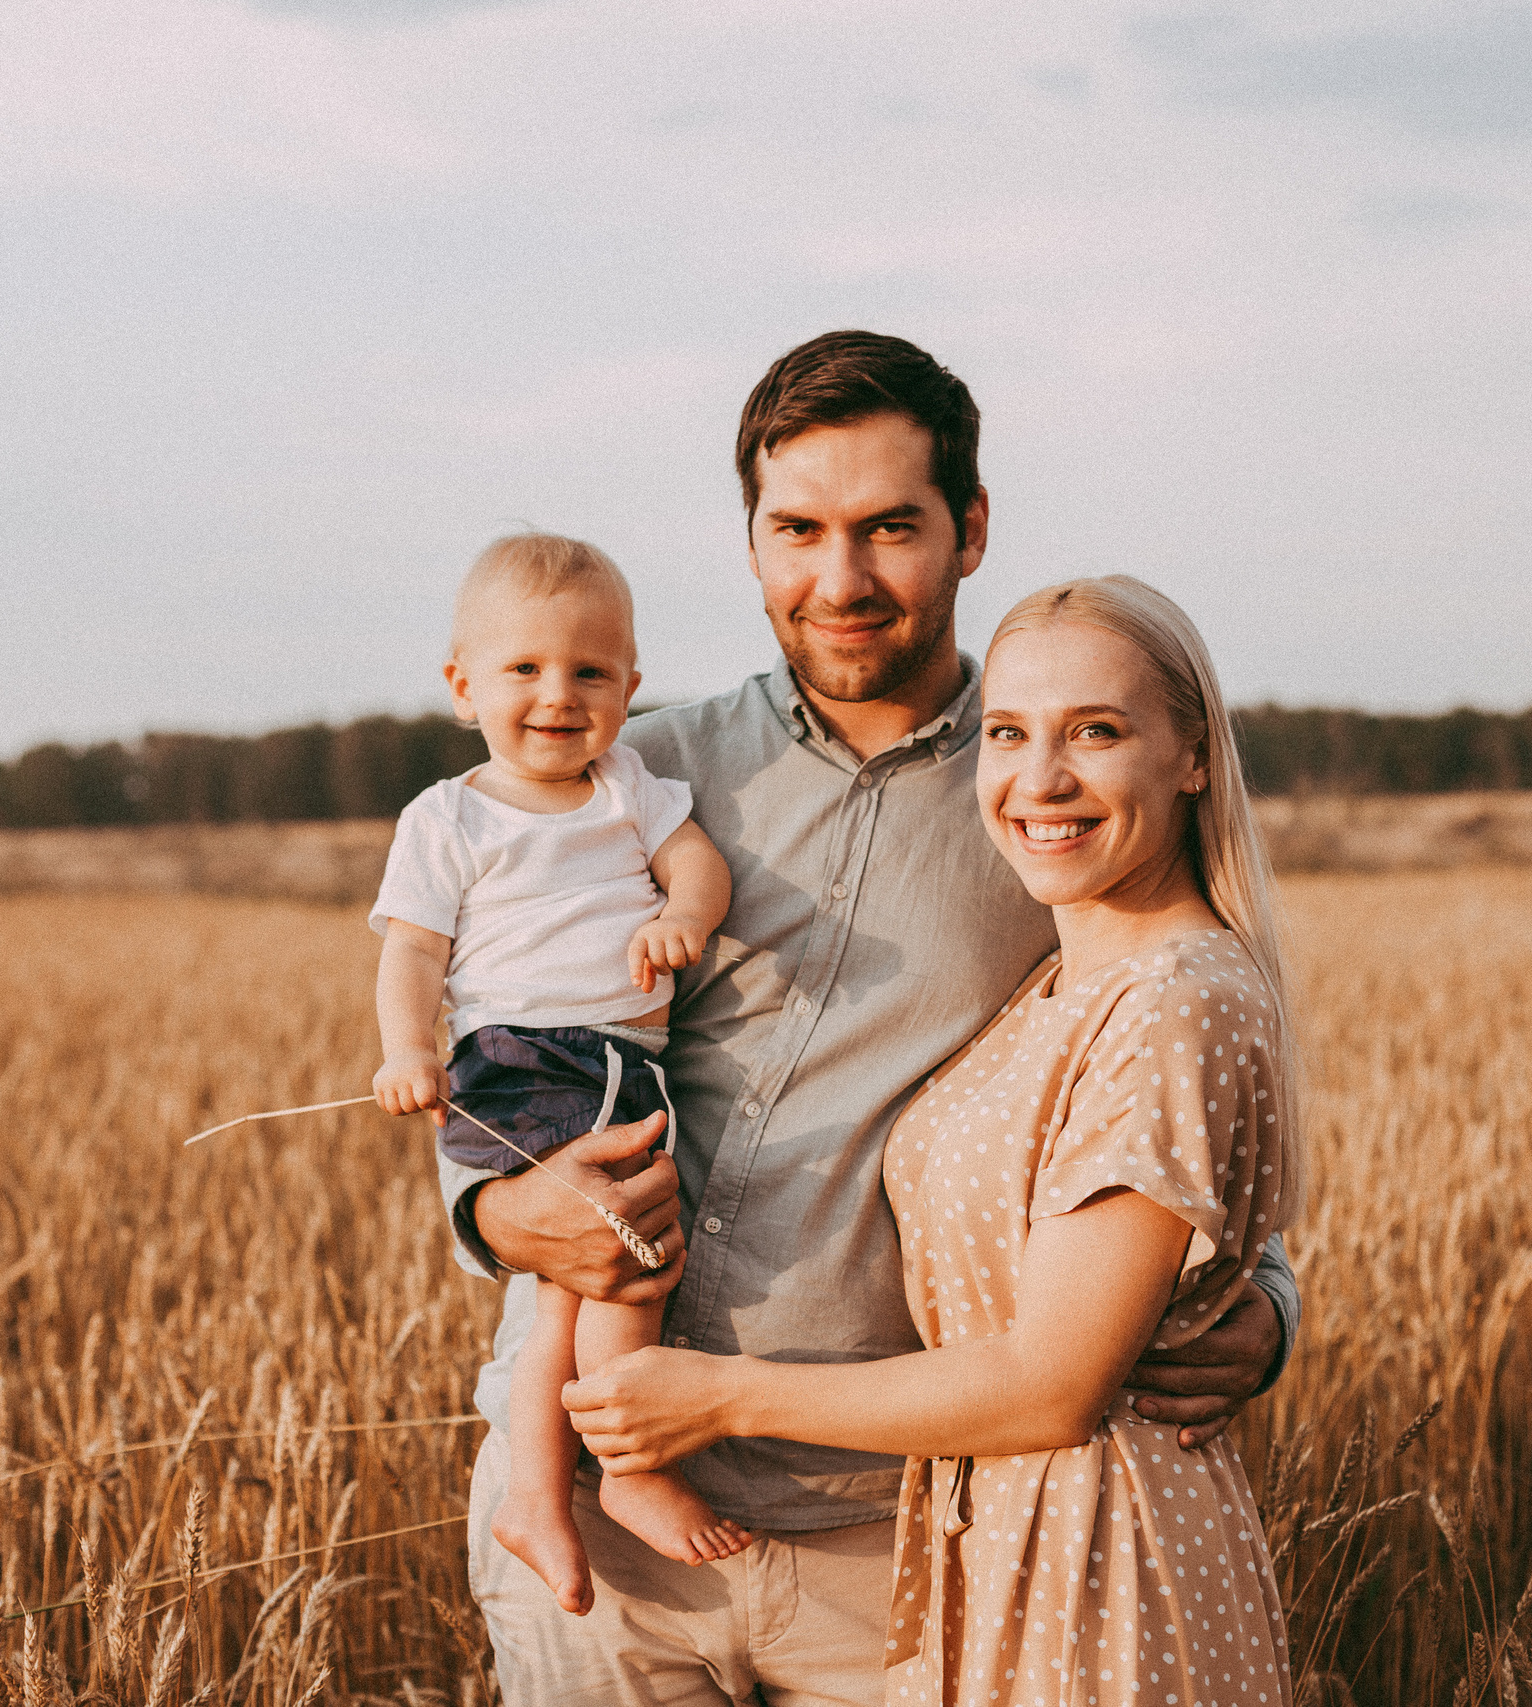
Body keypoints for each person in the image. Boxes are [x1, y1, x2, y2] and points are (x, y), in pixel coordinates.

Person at [434, 332, 1302, 1703]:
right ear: (751, 537)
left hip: (893, 1535)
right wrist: (483, 1213)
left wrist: (1261, 1294)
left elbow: (1161, 1052)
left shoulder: (1041, 802)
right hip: (600, 1516)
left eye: (889, 527)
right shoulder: (639, 770)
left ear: (969, 530)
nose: (838, 581)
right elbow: (504, 1017)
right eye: (798, 530)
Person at [566, 576, 1296, 1703]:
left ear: (1192, 755)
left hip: (1098, 1561)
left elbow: (1050, 1383)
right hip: (994, 1538)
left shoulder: (1171, 995)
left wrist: (718, 1396)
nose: (1040, 779)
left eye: (1095, 732)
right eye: (1009, 734)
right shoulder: (1058, 976)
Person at [367, 532, 748, 1617]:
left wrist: (683, 916)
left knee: (566, 1294)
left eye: (590, 672)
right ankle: (623, 1470)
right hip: (519, 1060)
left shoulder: (628, 785)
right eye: (523, 670)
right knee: (632, 1261)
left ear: (631, 686)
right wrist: (408, 1051)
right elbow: (411, 953)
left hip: (624, 1062)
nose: (556, 695)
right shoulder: (450, 817)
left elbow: (699, 868)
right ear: (462, 686)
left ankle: (538, 1490)